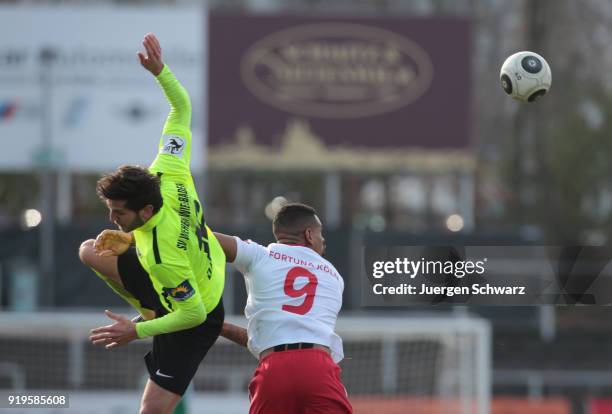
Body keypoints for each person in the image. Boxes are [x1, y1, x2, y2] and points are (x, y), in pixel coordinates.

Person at [78, 33, 225, 414]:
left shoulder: (162, 255)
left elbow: (190, 314)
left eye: (120, 213)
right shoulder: (168, 169)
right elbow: (181, 109)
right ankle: (149, 307)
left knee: (151, 411)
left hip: (196, 314)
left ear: (145, 211)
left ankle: (150, 313)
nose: (112, 219)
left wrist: (136, 330)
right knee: (90, 251)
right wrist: (161, 72)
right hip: (190, 268)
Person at [215, 203, 353, 414]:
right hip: (318, 367)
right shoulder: (334, 276)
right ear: (309, 234)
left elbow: (206, 239)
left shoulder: (261, 255)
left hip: (274, 368)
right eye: (320, 232)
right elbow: (297, 338)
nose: (323, 239)